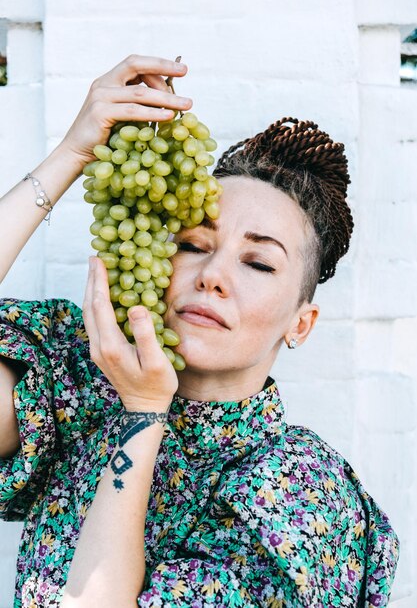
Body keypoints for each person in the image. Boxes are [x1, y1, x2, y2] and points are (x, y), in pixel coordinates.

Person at [0, 54, 399, 608]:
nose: (212, 276)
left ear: (300, 324)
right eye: (193, 245)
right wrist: (71, 156)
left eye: (258, 263)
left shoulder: (301, 492)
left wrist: (145, 414)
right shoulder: (78, 390)